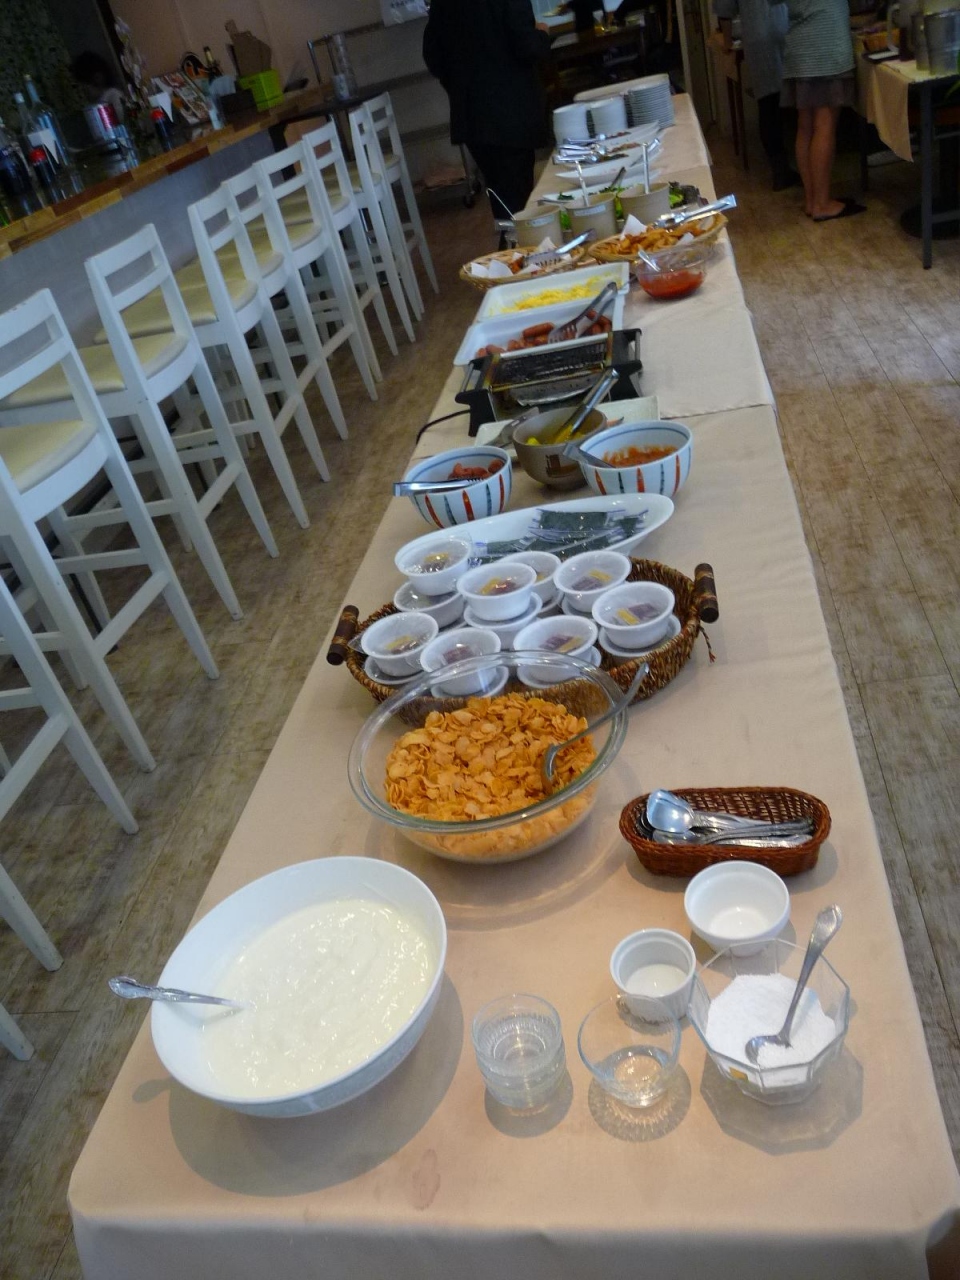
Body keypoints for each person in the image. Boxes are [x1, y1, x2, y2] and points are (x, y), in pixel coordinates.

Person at [423, 0, 552, 216]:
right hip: (512, 110)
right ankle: (515, 236)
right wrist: (542, 35)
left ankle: (508, 234)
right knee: (519, 201)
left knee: (502, 198)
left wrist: (458, 85)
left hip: (471, 113)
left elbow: (434, 58)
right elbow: (527, 47)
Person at [773, 0, 865, 220]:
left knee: (805, 128)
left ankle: (811, 201)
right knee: (824, 126)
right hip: (825, 46)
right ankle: (822, 204)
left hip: (799, 48)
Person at [713, 0, 798, 190]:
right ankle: (801, 167)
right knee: (795, 100)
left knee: (768, 103)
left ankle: (780, 169)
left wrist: (727, 41)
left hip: (758, 35)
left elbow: (724, 9)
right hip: (789, 28)